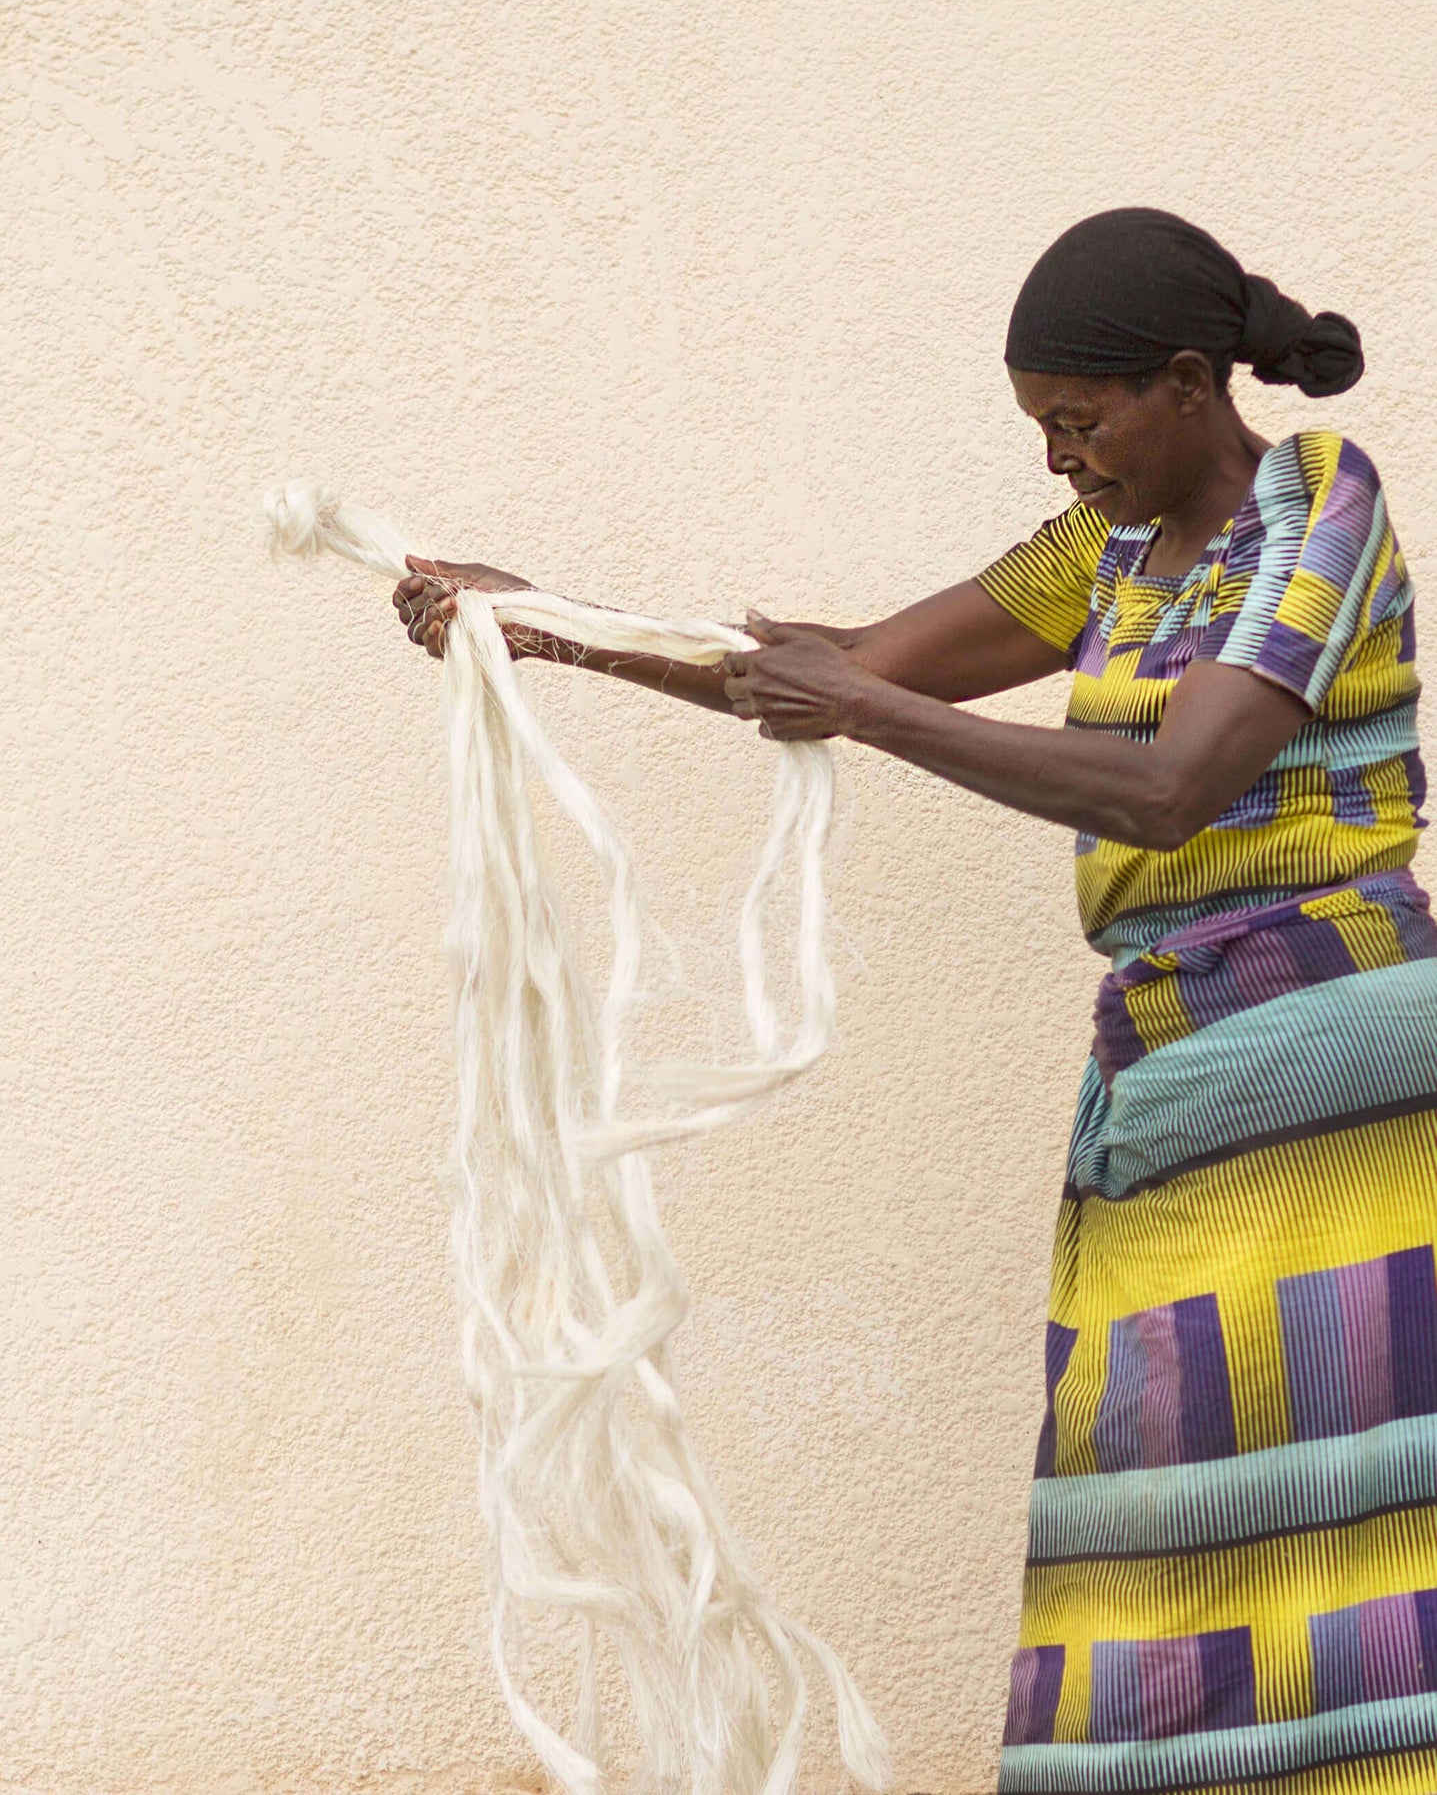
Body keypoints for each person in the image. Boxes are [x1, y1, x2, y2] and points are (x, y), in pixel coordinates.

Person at [393, 208, 1437, 1795]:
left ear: (1181, 383)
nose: (1058, 466)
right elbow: (857, 657)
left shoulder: (1318, 502)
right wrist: (549, 626)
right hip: (1173, 1058)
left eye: (1077, 425)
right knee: (1160, 1483)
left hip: (1320, 1053)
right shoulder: (1109, 550)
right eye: (1040, 432)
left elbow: (1171, 786)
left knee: (1302, 1487)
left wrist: (863, 708)